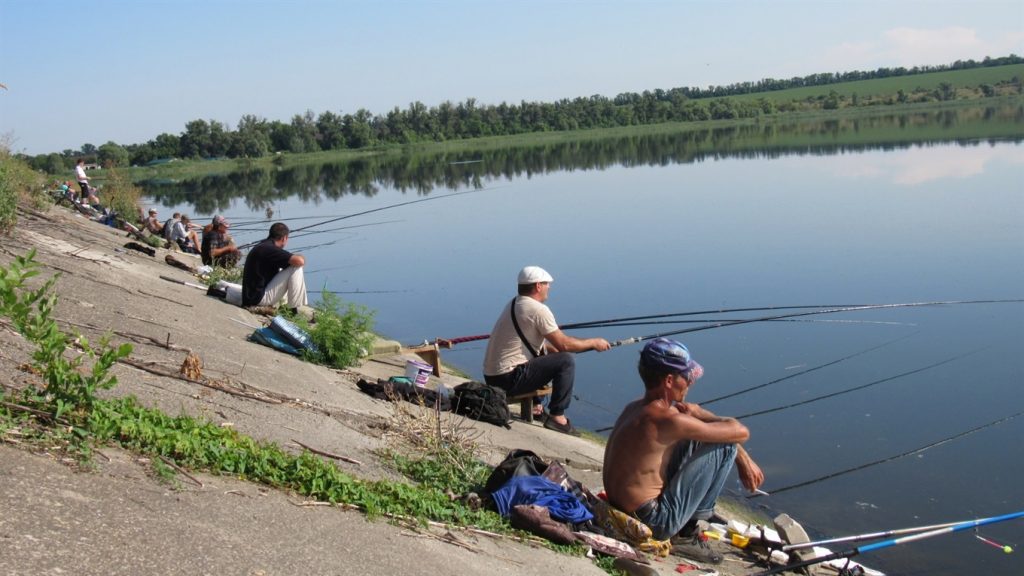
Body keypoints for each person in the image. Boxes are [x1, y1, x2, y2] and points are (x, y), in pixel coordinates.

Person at [602, 338, 765, 563]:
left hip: (622, 505)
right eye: (686, 378)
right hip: (653, 520)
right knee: (725, 447)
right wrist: (701, 413)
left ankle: (687, 525)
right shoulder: (669, 420)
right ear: (669, 380)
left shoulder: (635, 408)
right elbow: (739, 431)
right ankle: (687, 534)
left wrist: (743, 458)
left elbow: (713, 432)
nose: (690, 384)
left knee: (697, 438)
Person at [482, 266, 611, 435]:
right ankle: (558, 417)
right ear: (538, 286)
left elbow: (538, 347)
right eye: (547, 284)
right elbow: (564, 345)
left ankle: (537, 407)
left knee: (548, 354)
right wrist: (595, 342)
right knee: (566, 360)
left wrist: (555, 352)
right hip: (508, 380)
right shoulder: (538, 310)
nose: (549, 287)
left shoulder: (515, 303)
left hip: (493, 377)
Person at [241, 222, 308, 312]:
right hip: (258, 299)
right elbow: (299, 261)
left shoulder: (263, 246)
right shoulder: (270, 249)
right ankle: (292, 309)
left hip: (251, 296)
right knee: (296, 267)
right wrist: (302, 259)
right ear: (284, 238)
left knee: (286, 266)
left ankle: (285, 304)